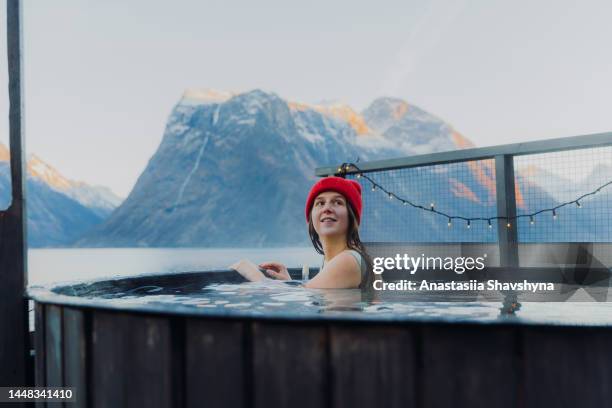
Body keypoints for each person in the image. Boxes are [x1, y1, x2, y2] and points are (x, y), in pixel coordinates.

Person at [229, 176, 373, 289]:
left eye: (338, 202)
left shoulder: (349, 260)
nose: (327, 208)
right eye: (320, 203)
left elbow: (299, 296)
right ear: (311, 218)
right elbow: (311, 291)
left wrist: (250, 272)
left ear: (352, 216)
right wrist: (289, 282)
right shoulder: (331, 261)